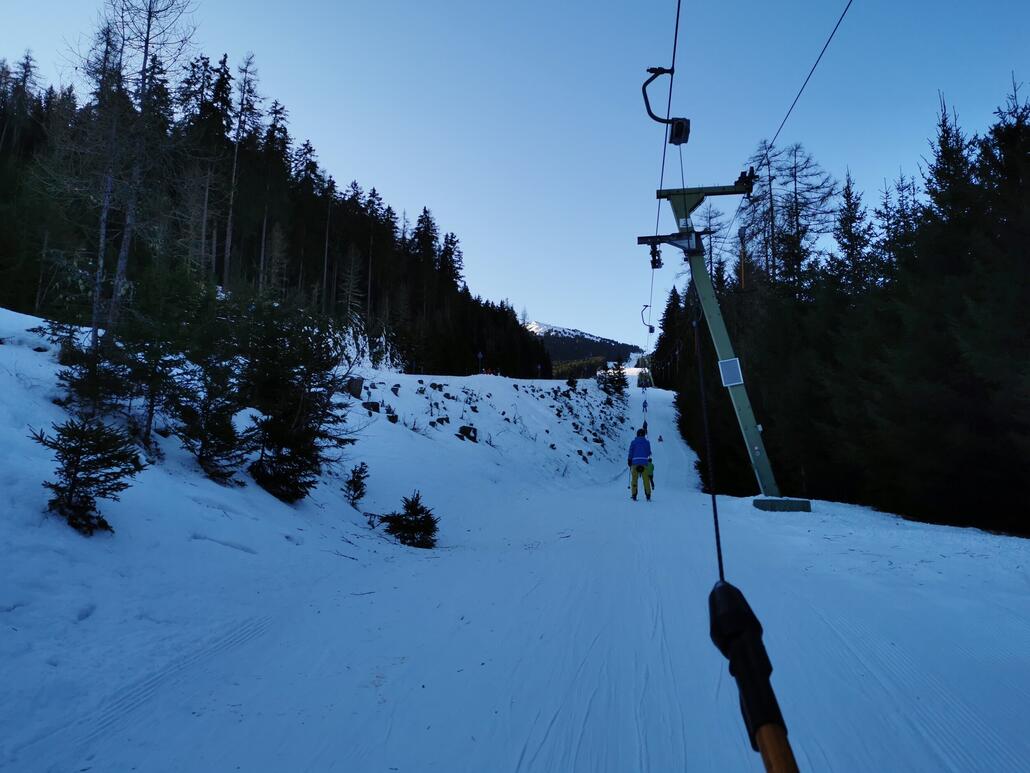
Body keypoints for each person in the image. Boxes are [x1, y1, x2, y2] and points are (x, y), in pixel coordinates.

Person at [627, 428, 653, 502]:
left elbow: (630, 452)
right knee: (646, 480)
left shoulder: (633, 442)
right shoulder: (647, 442)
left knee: (634, 479)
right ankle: (648, 495)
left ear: (637, 434)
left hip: (635, 463)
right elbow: (648, 453)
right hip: (644, 463)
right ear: (644, 434)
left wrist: (629, 460)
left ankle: (634, 495)